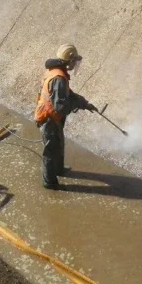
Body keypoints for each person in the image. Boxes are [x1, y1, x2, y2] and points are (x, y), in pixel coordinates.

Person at [34, 44, 98, 189]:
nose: (75, 63)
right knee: (50, 151)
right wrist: (75, 105)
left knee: (59, 144)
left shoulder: (57, 72)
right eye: (74, 60)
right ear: (68, 60)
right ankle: (49, 182)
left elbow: (67, 93)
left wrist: (84, 103)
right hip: (48, 119)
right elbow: (60, 106)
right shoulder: (59, 78)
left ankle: (59, 170)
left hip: (53, 117)